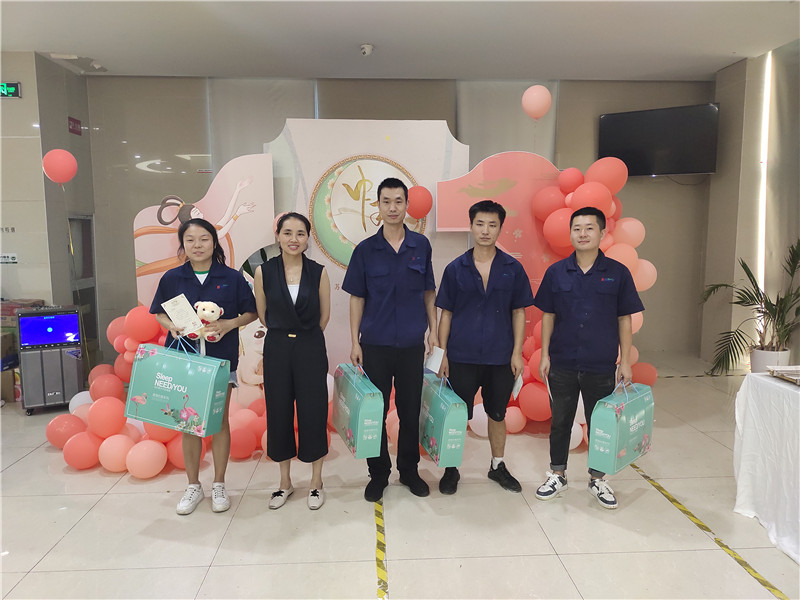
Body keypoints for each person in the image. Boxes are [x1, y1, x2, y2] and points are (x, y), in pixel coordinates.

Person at [533, 206, 644, 509]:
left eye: (589, 228)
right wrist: (544, 355)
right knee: (560, 421)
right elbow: (548, 315)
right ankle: (557, 475)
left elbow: (624, 318)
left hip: (600, 362)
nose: (582, 234)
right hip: (562, 361)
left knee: (601, 424)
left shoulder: (617, 273)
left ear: (602, 232)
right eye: (577, 228)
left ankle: (598, 479)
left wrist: (625, 361)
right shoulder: (556, 272)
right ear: (570, 233)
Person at [151, 217, 258, 515]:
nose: (197, 245)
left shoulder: (231, 278)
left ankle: (219, 484)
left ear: (214, 242)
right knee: (189, 423)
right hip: (183, 359)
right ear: (182, 245)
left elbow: (251, 312)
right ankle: (193, 486)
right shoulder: (172, 278)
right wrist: (171, 326)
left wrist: (228, 324)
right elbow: (159, 312)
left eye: (204, 239)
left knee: (219, 421)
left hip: (220, 359)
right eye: (190, 240)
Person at [342, 177, 438, 502]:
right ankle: (378, 473)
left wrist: (433, 332)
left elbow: (428, 292)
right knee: (376, 412)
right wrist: (355, 342)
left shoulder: (420, 246)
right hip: (375, 344)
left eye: (399, 201)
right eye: (386, 201)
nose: (393, 207)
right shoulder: (365, 250)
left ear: (407, 205)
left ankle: (409, 471)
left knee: (410, 412)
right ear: (378, 206)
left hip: (411, 344)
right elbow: (356, 298)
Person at [435, 200, 534, 495]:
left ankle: (497, 466)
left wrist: (516, 353)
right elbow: (446, 314)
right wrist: (442, 354)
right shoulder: (456, 269)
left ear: (500, 228)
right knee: (455, 415)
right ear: (471, 226)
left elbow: (519, 312)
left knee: (497, 413)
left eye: (492, 225)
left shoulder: (513, 269)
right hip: (461, 355)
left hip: (500, 356)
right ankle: (451, 469)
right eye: (480, 224)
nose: (486, 230)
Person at [253, 212, 331, 510]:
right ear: (278, 236)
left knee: (313, 412)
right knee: (279, 411)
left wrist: (304, 336)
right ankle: (284, 482)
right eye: (287, 233)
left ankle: (316, 482)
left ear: (308, 238)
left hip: (310, 347)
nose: (294, 239)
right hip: (277, 348)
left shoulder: (318, 272)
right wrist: (286, 333)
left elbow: (324, 316)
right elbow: (263, 314)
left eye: (300, 233)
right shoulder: (264, 272)